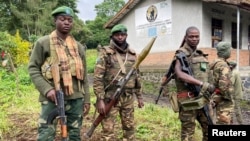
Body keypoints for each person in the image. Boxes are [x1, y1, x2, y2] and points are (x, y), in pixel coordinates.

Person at [28, 6, 90, 140]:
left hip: (76, 98)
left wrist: (86, 100)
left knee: (74, 133)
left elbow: (84, 76)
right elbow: (33, 68)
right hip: (52, 98)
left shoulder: (78, 47)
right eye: (62, 19)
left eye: (69, 20)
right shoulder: (43, 43)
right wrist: (47, 90)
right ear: (55, 21)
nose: (67, 22)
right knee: (46, 133)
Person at [93, 24, 144, 141]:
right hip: (110, 97)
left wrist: (139, 97)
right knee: (108, 130)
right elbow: (97, 78)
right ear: (112, 36)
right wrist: (100, 100)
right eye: (117, 35)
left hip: (128, 98)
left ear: (126, 36)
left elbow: (137, 77)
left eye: (123, 35)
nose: (120, 37)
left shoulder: (132, 54)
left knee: (129, 127)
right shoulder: (105, 53)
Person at [172, 26, 214, 141]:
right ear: (185, 38)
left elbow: (208, 76)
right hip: (188, 101)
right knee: (188, 133)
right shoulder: (180, 54)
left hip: (203, 99)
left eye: (197, 36)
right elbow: (179, 73)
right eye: (191, 36)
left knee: (209, 128)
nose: (194, 39)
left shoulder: (200, 55)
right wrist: (201, 83)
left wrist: (212, 96)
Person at [209, 42, 234, 125]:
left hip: (216, 97)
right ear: (225, 51)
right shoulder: (223, 65)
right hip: (224, 100)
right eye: (230, 49)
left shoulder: (215, 63)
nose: (231, 51)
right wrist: (229, 97)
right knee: (224, 123)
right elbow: (224, 86)